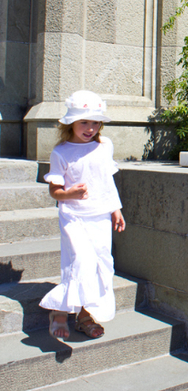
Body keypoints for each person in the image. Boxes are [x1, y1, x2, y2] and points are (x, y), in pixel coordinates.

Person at [40, 90, 125, 340]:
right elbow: (54, 190)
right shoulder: (61, 152)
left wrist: (115, 208)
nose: (90, 128)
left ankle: (85, 314)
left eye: (95, 122)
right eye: (84, 122)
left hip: (99, 216)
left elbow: (107, 181)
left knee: (101, 264)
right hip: (73, 217)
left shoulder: (104, 145)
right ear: (71, 123)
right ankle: (58, 312)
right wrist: (70, 194)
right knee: (80, 262)